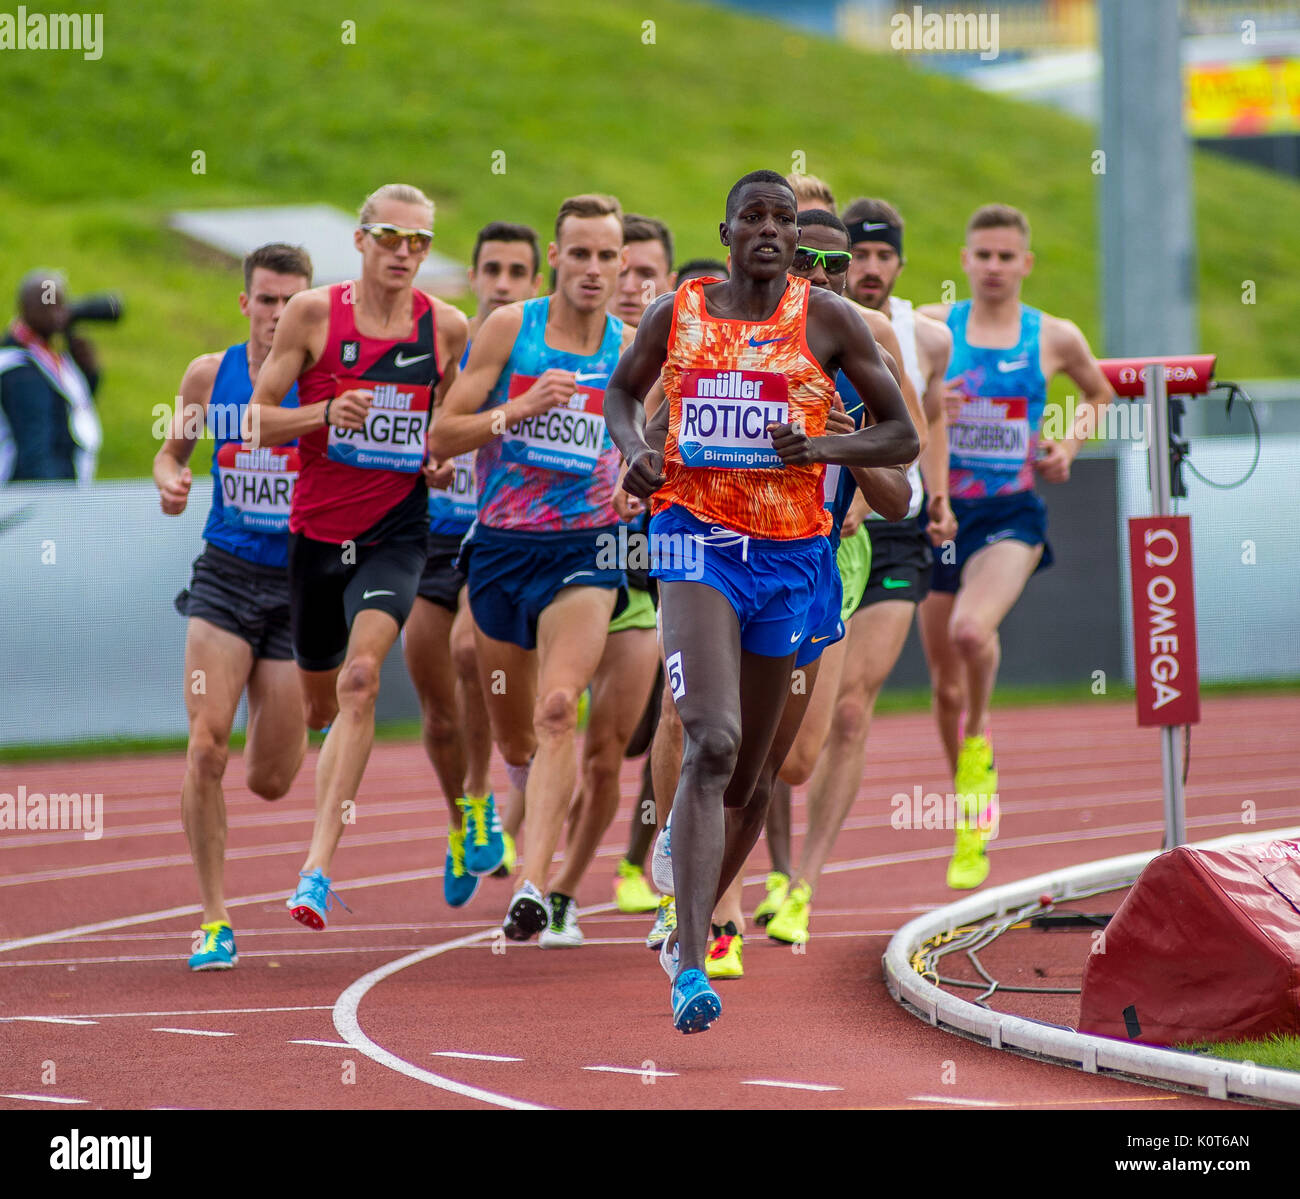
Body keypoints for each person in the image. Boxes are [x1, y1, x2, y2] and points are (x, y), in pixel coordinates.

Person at [606, 170, 917, 1032]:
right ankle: (692, 953)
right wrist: (636, 450)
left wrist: (818, 443)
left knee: (757, 774)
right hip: (694, 539)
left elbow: (905, 441)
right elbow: (623, 393)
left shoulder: (832, 322)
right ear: (730, 230)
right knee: (711, 736)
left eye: (788, 221)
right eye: (757, 218)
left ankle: (690, 863)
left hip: (792, 558)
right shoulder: (682, 311)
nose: (773, 232)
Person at [250, 183, 469, 928]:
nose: (405, 253)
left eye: (420, 242)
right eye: (390, 237)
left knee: (363, 677)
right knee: (321, 700)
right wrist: (323, 411)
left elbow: (446, 424)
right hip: (316, 535)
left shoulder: (446, 327)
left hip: (397, 532)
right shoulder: (314, 313)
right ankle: (322, 736)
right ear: (360, 239)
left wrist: (437, 461)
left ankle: (314, 869)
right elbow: (256, 422)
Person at [429, 193, 635, 943]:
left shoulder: (631, 346)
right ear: (556, 256)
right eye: (578, 253)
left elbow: (657, 443)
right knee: (516, 737)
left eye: (606, 255)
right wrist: (514, 411)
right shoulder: (512, 329)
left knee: (558, 711)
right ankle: (518, 796)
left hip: (588, 547)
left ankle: (534, 885)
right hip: (503, 547)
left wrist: (634, 480)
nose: (592, 268)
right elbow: (444, 434)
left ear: (620, 263)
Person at [763, 196, 958, 944]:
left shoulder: (906, 334)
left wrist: (928, 500)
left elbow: (916, 429)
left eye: (853, 259)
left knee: (846, 709)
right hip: (794, 534)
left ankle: (806, 882)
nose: (846, 272)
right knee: (779, 726)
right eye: (813, 257)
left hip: (884, 533)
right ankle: (770, 866)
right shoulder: (760, 324)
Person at [918, 203, 1112, 888]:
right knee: (942, 686)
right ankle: (971, 804)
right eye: (984, 255)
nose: (995, 267)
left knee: (972, 631)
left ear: (1026, 264)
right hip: (942, 513)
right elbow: (899, 391)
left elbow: (1099, 391)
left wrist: (1070, 442)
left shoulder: (1053, 336)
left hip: (1012, 514)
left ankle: (981, 732)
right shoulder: (935, 329)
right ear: (965, 261)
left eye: (1007, 256)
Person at [153, 242, 314, 969]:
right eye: (267, 299)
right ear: (245, 303)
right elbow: (171, 452)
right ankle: (214, 917)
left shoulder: (325, 378)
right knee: (207, 744)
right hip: (223, 577)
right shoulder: (208, 374)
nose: (278, 314)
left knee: (271, 779)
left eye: (292, 301)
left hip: (296, 585)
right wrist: (170, 480)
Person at [544, 214, 677, 944]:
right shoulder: (563, 347)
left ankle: (567, 889)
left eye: (644, 274)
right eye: (623, 273)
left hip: (640, 569)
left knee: (614, 747)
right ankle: (515, 828)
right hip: (559, 556)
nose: (631, 286)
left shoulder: (678, 354)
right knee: (546, 718)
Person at [409, 220, 542, 907]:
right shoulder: (441, 350)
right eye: (492, 270)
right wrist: (423, 465)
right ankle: (466, 816)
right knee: (435, 712)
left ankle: (488, 797)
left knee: (468, 652)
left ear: (533, 284)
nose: (502, 284)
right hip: (432, 536)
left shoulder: (537, 351)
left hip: (498, 535)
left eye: (517, 273)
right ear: (474, 278)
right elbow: (411, 436)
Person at [0, 271, 102, 482]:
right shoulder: (19, 368)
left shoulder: (49, 355)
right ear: (25, 308)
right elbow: (34, 446)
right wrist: (50, 502)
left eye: (61, 305)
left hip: (63, 490)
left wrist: (89, 374)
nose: (58, 315)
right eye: (48, 306)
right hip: (39, 496)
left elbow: (69, 412)